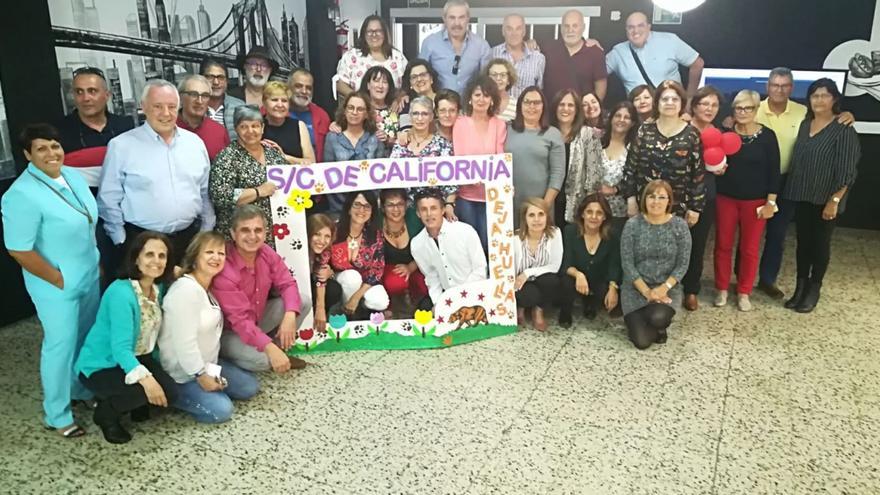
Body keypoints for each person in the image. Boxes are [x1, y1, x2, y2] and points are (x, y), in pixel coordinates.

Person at [2, 124, 101, 439]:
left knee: (85, 339)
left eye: (55, 145)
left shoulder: (70, 175)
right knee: (60, 346)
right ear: (27, 154)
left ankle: (81, 390)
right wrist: (59, 279)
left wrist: (94, 260)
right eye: (41, 148)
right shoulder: (20, 195)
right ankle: (57, 414)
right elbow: (18, 249)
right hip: (56, 286)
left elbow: (87, 220)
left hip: (88, 274)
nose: (51, 153)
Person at [755, 67, 855, 299]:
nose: (779, 90)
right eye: (774, 85)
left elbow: (830, 123)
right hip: (756, 182)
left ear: (792, 88)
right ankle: (743, 281)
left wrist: (848, 114)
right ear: (767, 86)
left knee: (778, 235)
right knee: (750, 234)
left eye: (784, 85)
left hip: (789, 183)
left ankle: (767, 280)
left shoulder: (803, 113)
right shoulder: (753, 109)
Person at [98, 79, 214, 270]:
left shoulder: (195, 144)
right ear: (143, 107)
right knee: (148, 299)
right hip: (141, 243)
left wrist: (204, 233)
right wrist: (121, 240)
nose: (166, 113)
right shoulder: (122, 146)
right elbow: (108, 198)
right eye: (158, 107)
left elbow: (204, 193)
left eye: (171, 106)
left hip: (188, 241)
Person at [75, 232, 177, 444]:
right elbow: (120, 349)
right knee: (142, 391)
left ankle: (134, 402)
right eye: (149, 254)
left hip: (140, 356)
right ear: (136, 258)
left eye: (162, 256)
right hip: (104, 363)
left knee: (171, 393)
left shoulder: (159, 288)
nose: (156, 261)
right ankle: (105, 414)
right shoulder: (121, 292)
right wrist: (147, 381)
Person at [158, 231, 259, 424]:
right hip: (183, 374)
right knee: (223, 411)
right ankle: (173, 396)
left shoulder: (206, 287)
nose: (216, 257)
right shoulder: (185, 291)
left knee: (249, 388)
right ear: (195, 256)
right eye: (209, 252)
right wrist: (201, 376)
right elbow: (184, 343)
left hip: (210, 364)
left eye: (221, 253)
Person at [783, 79, 859, 313]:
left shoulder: (843, 127)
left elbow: (848, 169)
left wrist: (834, 200)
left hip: (827, 200)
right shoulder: (806, 124)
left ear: (834, 99)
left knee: (820, 245)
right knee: (802, 244)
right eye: (815, 96)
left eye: (825, 96)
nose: (819, 100)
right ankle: (800, 286)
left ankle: (814, 289)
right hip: (803, 194)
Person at [212, 205, 306, 373]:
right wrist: (268, 347)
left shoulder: (265, 252)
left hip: (256, 319)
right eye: (245, 230)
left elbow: (288, 283)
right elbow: (241, 322)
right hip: (230, 332)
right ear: (233, 234)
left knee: (302, 301)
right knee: (263, 361)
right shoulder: (225, 267)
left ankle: (276, 352)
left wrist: (290, 315)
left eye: (258, 230)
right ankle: (234, 358)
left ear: (265, 233)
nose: (252, 236)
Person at [713, 90, 781, 312]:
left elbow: (774, 171)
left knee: (749, 249)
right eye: (738, 108)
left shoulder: (767, 136)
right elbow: (714, 161)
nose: (742, 112)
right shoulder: (725, 133)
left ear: (756, 109)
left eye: (747, 108)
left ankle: (744, 292)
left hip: (756, 202)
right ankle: (721, 288)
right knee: (723, 246)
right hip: (726, 199)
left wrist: (771, 202)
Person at [621, 80, 704, 228]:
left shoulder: (691, 134)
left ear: (682, 103)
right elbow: (630, 167)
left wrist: (695, 207)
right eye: (665, 99)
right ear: (657, 103)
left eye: (675, 99)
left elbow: (697, 173)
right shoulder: (644, 130)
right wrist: (631, 199)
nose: (670, 103)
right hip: (645, 205)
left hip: (678, 208)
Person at [620, 180, 691, 350]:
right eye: (651, 197)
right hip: (635, 289)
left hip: (667, 289)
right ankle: (643, 323)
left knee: (658, 317)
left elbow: (683, 264)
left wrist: (663, 288)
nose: (656, 201)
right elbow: (627, 263)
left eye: (661, 197)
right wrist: (646, 291)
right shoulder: (632, 225)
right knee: (642, 343)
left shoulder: (679, 226)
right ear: (644, 199)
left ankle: (657, 323)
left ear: (669, 201)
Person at [209, 105, 287, 243]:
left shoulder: (273, 153)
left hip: (275, 234)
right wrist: (258, 191)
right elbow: (220, 196)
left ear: (262, 128)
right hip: (241, 236)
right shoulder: (227, 157)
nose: (250, 131)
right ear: (236, 129)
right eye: (244, 126)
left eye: (255, 126)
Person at [55, 66, 134, 195]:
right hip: (79, 207)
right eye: (79, 92)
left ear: (107, 95)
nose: (85, 98)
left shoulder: (125, 126)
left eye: (92, 91)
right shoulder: (58, 131)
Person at [452, 75, 507, 251]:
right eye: (477, 95)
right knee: (470, 245)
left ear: (492, 100)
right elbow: (459, 156)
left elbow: (500, 156)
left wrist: (504, 184)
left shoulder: (499, 124)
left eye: (486, 95)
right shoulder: (460, 123)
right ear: (469, 98)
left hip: (490, 196)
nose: (481, 99)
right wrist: (470, 176)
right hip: (466, 195)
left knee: (487, 243)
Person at [410, 188, 488, 310]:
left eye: (433, 208)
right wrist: (438, 303)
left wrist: (459, 298)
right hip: (447, 300)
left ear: (443, 210)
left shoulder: (465, 231)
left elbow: (480, 269)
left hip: (475, 295)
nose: (429, 214)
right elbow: (431, 277)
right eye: (424, 209)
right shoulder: (417, 244)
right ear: (418, 213)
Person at [389, 95, 457, 230]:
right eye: (415, 113)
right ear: (410, 116)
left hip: (434, 210)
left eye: (424, 114)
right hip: (404, 211)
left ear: (431, 117)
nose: (420, 118)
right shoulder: (401, 144)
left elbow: (451, 182)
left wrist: (449, 205)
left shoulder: (442, 145)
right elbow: (391, 177)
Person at [682, 86, 722, 311]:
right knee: (675, 244)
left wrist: (721, 167)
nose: (709, 109)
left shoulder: (719, 133)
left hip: (706, 196)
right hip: (679, 195)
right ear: (695, 106)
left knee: (697, 245)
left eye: (714, 105)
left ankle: (691, 290)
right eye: (705, 104)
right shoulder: (683, 128)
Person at [606, 11, 704, 97]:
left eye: (640, 25)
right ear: (626, 30)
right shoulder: (618, 52)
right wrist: (591, 43)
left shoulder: (669, 41)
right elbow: (596, 72)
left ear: (649, 27)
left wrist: (690, 98)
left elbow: (697, 63)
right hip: (639, 112)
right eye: (631, 27)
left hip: (670, 107)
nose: (636, 31)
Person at [506, 87, 565, 225]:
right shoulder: (506, 129)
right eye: (527, 102)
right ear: (520, 105)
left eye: (537, 102)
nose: (531, 106)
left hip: (540, 205)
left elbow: (558, 174)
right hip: (509, 203)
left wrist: (545, 205)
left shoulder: (552, 133)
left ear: (543, 106)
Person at [559, 194, 621, 326]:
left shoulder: (612, 235)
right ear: (582, 214)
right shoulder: (569, 231)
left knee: (605, 289)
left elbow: (614, 265)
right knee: (566, 281)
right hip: (574, 277)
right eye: (589, 212)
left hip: (598, 278)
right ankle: (565, 311)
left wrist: (613, 288)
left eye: (599, 213)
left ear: (605, 217)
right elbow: (566, 263)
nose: (594, 217)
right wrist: (578, 275)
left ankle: (590, 302)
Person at [329, 191, 390, 318]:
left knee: (381, 301)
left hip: (365, 282)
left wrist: (356, 297)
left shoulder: (375, 235)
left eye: (367, 206)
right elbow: (322, 257)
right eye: (357, 205)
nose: (361, 210)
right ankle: (346, 310)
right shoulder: (334, 230)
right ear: (349, 208)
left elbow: (377, 270)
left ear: (372, 211)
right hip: (340, 280)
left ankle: (359, 307)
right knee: (352, 277)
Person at [324, 92, 385, 213]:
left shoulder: (376, 139)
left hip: (369, 207)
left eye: (360, 109)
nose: (354, 112)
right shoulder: (332, 138)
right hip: (339, 208)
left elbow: (382, 177)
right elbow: (327, 175)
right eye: (351, 108)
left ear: (367, 114)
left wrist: (370, 204)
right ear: (345, 110)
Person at [418, 0, 491, 95]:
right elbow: (419, 75)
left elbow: (487, 82)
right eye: (452, 18)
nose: (457, 23)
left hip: (470, 107)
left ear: (468, 18)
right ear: (444, 19)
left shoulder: (482, 46)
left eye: (461, 17)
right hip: (439, 106)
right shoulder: (430, 43)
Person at [513, 198, 563, 331]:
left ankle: (538, 311)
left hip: (541, 280)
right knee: (529, 295)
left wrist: (527, 272)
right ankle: (520, 309)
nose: (537, 219)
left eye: (541, 214)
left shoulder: (555, 234)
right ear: (525, 218)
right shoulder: (514, 239)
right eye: (531, 215)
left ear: (547, 216)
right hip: (521, 284)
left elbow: (555, 266)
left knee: (552, 281)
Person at [542, 9, 608, 103]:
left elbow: (600, 90)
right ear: (561, 28)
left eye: (575, 26)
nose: (570, 30)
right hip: (551, 114)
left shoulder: (595, 53)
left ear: (583, 27)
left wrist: (590, 111)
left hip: (581, 115)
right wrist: (530, 43)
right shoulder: (547, 49)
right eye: (566, 26)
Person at [379, 189, 429, 309]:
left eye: (400, 204)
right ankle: (389, 304)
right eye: (390, 205)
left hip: (417, 264)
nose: (396, 209)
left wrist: (411, 267)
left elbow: (429, 247)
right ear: (383, 207)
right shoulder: (377, 222)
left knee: (426, 285)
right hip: (387, 268)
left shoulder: (415, 219)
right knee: (395, 283)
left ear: (406, 205)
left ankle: (416, 302)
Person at [335, 15, 408, 96]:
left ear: (385, 33)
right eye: (369, 32)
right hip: (361, 107)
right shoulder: (351, 56)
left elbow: (408, 84)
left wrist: (399, 98)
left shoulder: (398, 57)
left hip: (393, 107)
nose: (374, 35)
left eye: (378, 31)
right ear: (364, 34)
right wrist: (359, 99)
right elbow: (340, 84)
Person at [598, 101, 639, 232]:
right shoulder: (596, 142)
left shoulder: (635, 148)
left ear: (632, 123)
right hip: (595, 210)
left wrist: (615, 189)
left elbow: (637, 177)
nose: (621, 120)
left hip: (622, 212)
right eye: (617, 115)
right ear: (611, 118)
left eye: (626, 117)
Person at [549, 89, 584, 225]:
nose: (566, 109)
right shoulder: (546, 134)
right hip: (550, 201)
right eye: (561, 104)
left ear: (577, 110)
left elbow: (594, 175)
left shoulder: (587, 135)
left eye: (570, 105)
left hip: (578, 205)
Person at [176, 74, 230, 161]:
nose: (199, 101)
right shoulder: (168, 128)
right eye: (193, 94)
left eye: (205, 95)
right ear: (180, 97)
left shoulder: (219, 131)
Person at [490, 14, 545, 99]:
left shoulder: (538, 58)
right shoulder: (492, 54)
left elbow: (539, 91)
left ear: (524, 32)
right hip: (499, 111)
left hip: (526, 111)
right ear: (503, 31)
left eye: (518, 29)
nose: (514, 33)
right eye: (509, 29)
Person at [261, 81, 316, 165]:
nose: (280, 105)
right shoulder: (256, 125)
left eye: (284, 101)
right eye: (274, 100)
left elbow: (311, 162)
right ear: (264, 103)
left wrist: (283, 157)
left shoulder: (299, 126)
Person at [307, 214, 343, 333]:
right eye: (317, 234)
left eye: (327, 236)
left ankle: (319, 322)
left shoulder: (324, 252)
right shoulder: (300, 251)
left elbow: (320, 280)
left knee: (333, 288)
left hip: (313, 285)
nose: (322, 241)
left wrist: (320, 309)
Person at [288, 68, 332, 162]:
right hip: (280, 173)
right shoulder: (272, 111)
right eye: (298, 86)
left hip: (314, 173)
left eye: (308, 88)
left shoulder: (322, 115)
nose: (304, 91)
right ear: (288, 87)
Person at [201, 58, 246, 141]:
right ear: (201, 79)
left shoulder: (240, 107)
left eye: (221, 77)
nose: (216, 82)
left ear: (227, 81)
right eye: (210, 77)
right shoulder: (195, 106)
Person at [398, 59, 440, 131]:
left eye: (423, 75)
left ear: (431, 78)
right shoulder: (407, 104)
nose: (419, 79)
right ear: (410, 83)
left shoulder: (443, 101)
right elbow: (405, 132)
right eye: (414, 77)